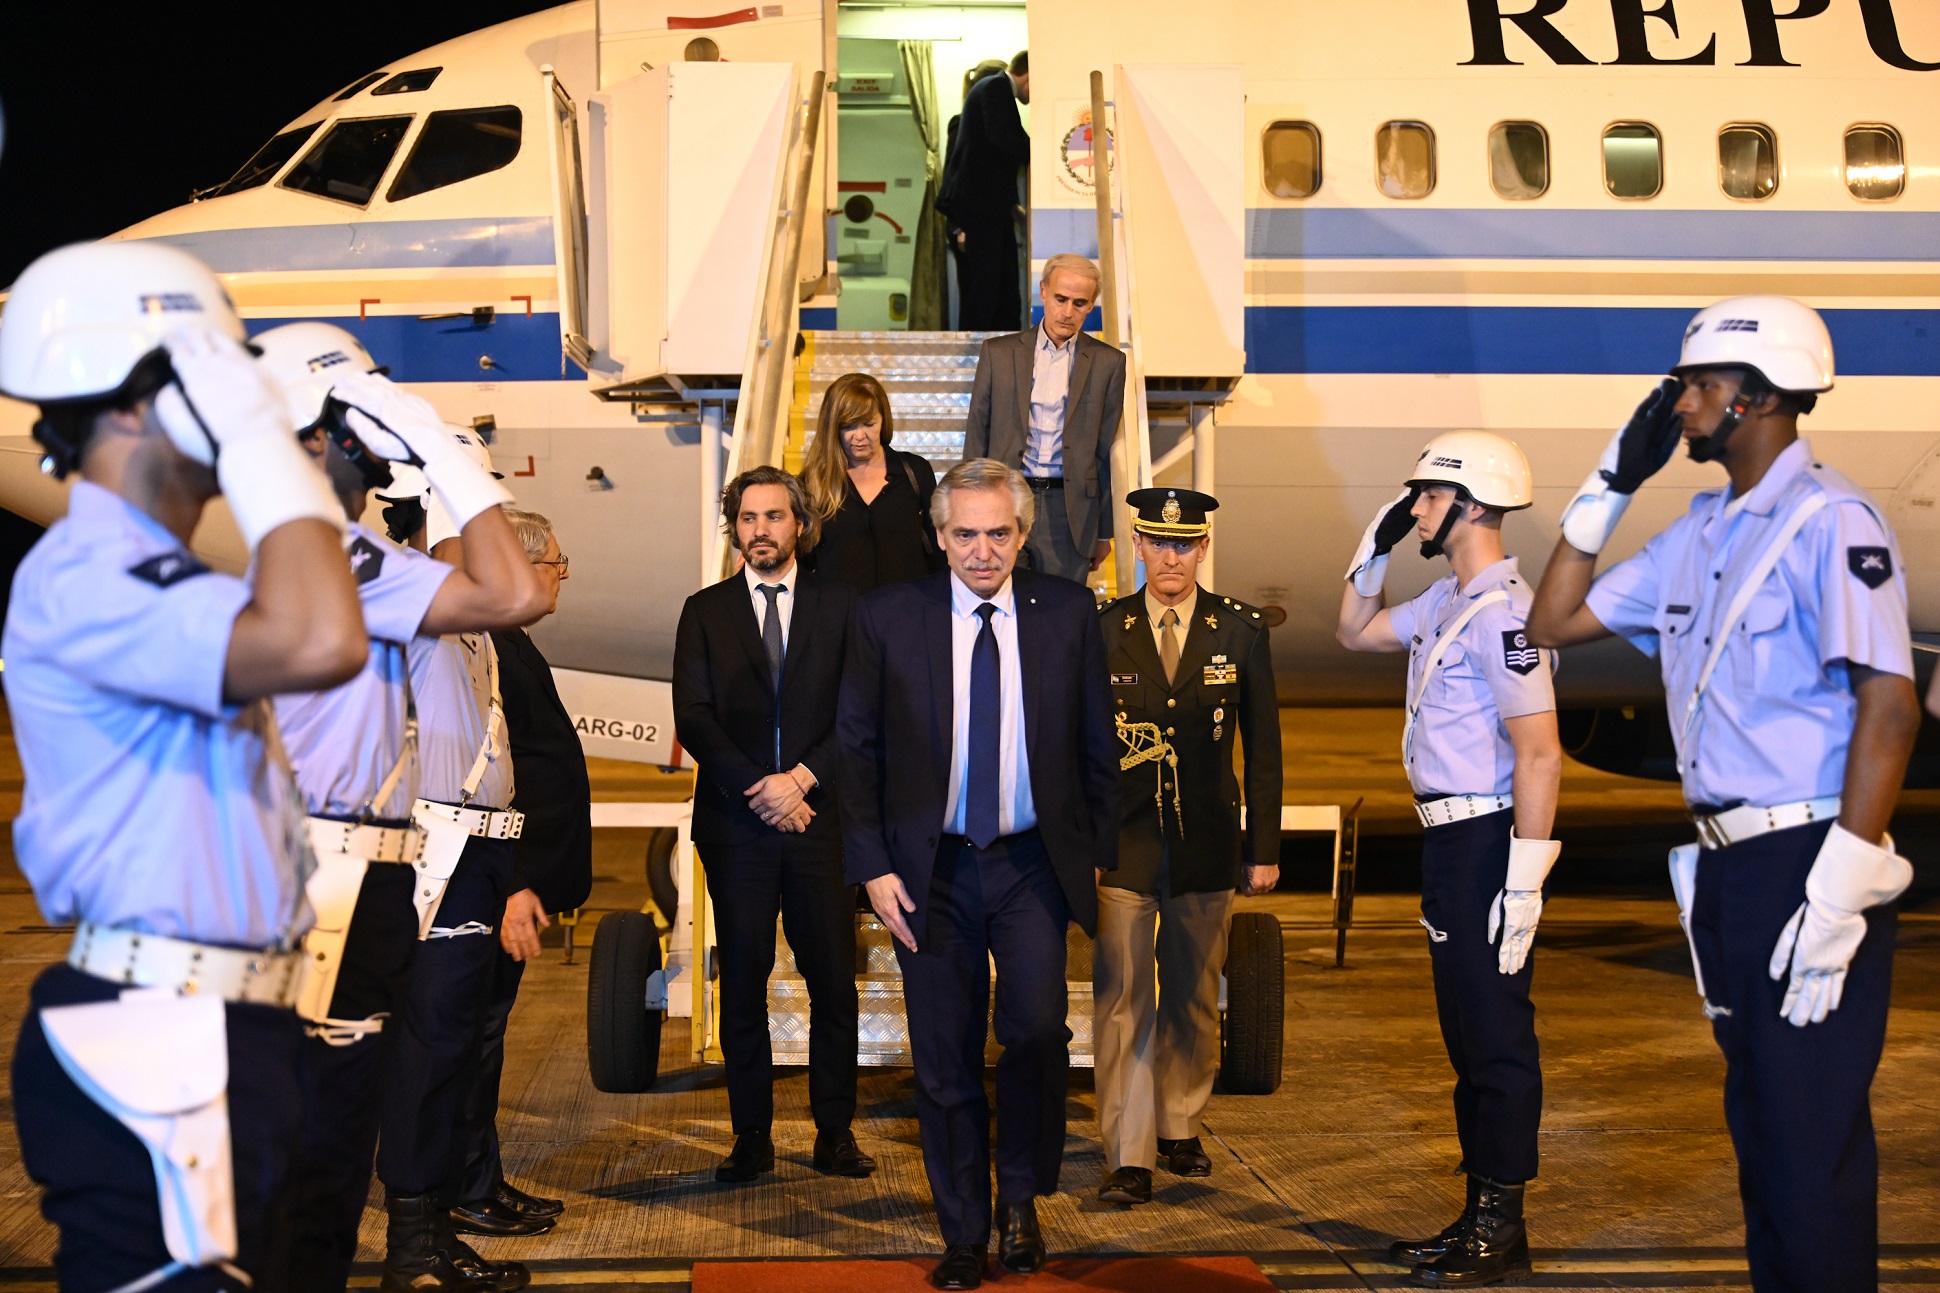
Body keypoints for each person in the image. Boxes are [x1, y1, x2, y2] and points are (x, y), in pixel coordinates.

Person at [1527, 296, 1920, 1293]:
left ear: (1755, 397)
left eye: (1696, 384)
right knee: (1763, 1138)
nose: (1680, 403)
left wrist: (1840, 886)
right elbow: (1550, 619)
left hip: (1805, 863)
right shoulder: (1697, 534)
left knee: (1804, 1153)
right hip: (1728, 870)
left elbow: (1888, 705)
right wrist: (1609, 484)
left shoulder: (1829, 521)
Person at [0, 241, 368, 1290]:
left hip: (218, 1027)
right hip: (160, 1037)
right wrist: (263, 448)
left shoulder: (150, 578)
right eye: (212, 373)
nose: (244, 398)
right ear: (133, 405)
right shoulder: (90, 573)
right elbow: (320, 641)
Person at [253, 323, 547, 1293]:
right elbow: (510, 589)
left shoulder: (344, 551)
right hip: (330, 873)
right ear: (325, 431)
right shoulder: (333, 554)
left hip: (358, 868)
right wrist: (450, 452)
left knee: (332, 1138)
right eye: (361, 422)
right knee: (314, 1144)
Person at [838, 458, 1119, 1291]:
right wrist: (873, 866)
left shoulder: (1067, 612)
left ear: (1023, 534)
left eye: (1000, 533)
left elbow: (1099, 743)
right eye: (966, 533)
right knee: (944, 1056)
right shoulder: (890, 616)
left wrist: (1096, 854)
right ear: (939, 535)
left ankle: (1021, 1200)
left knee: (1035, 1031)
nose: (983, 550)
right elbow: (855, 750)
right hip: (930, 872)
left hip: (1032, 863)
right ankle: (963, 1228)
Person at [1338, 431, 1564, 1288]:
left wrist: (1526, 877)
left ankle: (1503, 1224)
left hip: (1487, 843)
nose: (1417, 508)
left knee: (1498, 1035)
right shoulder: (1446, 599)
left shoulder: (1508, 615)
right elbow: (1355, 630)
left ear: (1468, 504)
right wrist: (1376, 544)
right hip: (1448, 841)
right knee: (1467, 1035)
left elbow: (1540, 752)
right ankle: (1480, 1216)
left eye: (1426, 496)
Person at [368, 424, 540, 1282]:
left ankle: (433, 1229)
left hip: (479, 854)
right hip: (430, 860)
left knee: (454, 1055)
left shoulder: (468, 627)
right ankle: (411, 1246)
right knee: (428, 1055)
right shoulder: (415, 603)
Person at [673, 466, 871, 1183]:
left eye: (775, 517)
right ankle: (751, 1135)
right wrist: (760, 787)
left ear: (799, 526)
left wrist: (801, 781)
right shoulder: (705, 610)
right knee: (745, 981)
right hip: (739, 825)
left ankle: (835, 1131)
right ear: (736, 527)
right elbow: (693, 714)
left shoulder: (842, 605)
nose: (761, 529)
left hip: (821, 822)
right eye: (749, 517)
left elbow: (859, 711)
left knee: (834, 984)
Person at [1091, 488, 1281, 1207]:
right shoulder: (1104, 628)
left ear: (1203, 548)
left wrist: (1261, 846)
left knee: (1196, 998)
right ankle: (1130, 1149)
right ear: (1138, 546)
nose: (1170, 556)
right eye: (1157, 542)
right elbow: (1081, 744)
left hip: (1204, 844)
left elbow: (1263, 749)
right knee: (1121, 998)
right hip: (1125, 846)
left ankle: (1179, 1119)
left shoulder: (1241, 631)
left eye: (1184, 544)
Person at [456, 509, 592, 1238]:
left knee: (486, 1037)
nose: (560, 577)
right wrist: (513, 883)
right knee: (473, 1040)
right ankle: (464, 1186)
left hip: (511, 879)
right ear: (523, 564)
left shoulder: (509, 642)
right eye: (556, 564)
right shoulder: (489, 648)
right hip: (497, 881)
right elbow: (493, 779)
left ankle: (481, 1177)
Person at [962, 254, 1126, 584]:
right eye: (1060, 299)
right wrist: (969, 504)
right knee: (998, 603)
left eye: (1079, 303)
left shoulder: (1109, 363)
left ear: (1091, 305)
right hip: (1005, 496)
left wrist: (1104, 530)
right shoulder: (998, 353)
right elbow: (977, 431)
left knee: (1059, 614)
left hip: (1070, 511)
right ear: (1043, 292)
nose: (1067, 312)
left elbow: (1106, 451)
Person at [801, 372, 943, 593]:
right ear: (833, 427)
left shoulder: (915, 472)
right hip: (842, 621)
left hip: (908, 615)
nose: (860, 436)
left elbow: (940, 546)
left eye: (869, 424)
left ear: (883, 420)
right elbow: (802, 561)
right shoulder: (811, 484)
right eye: (848, 426)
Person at [937, 50, 1030, 331]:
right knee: (988, 289)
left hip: (987, 208)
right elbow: (1004, 139)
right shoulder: (996, 87)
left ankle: (994, 350)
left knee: (999, 290)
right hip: (981, 209)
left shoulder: (990, 90)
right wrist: (1041, 151)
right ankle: (981, 353)